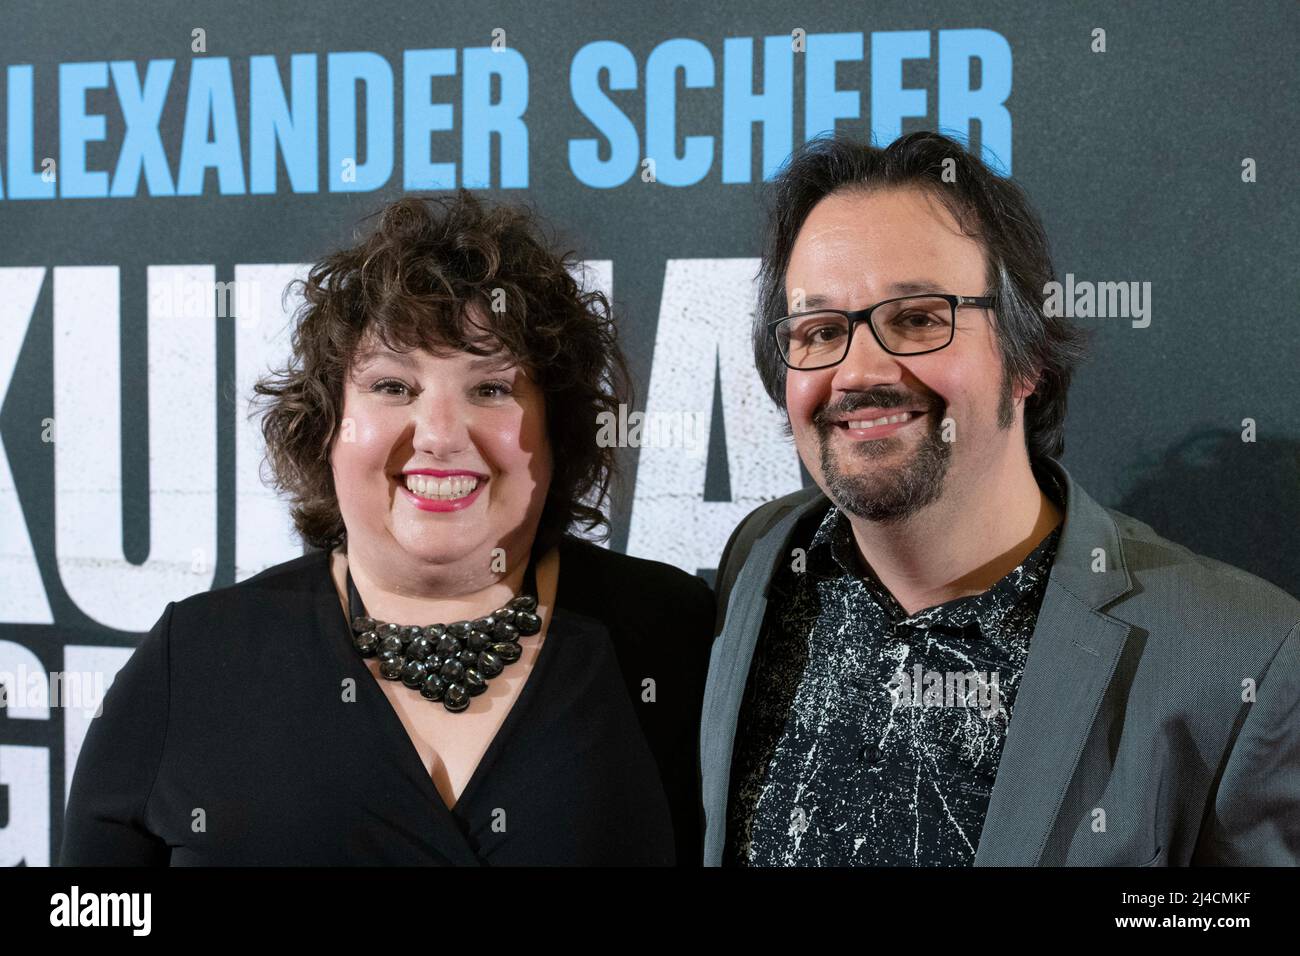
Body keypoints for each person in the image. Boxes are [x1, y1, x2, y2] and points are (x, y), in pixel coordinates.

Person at [60, 190, 714, 866]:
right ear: (325, 426)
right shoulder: (194, 660)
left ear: (558, 431)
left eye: (490, 389)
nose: (438, 435)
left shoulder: (674, 632)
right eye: (393, 387)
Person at [702, 131, 1300, 866]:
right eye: (821, 331)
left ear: (1027, 361)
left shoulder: (1241, 658)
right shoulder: (761, 561)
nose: (859, 370)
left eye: (918, 318)